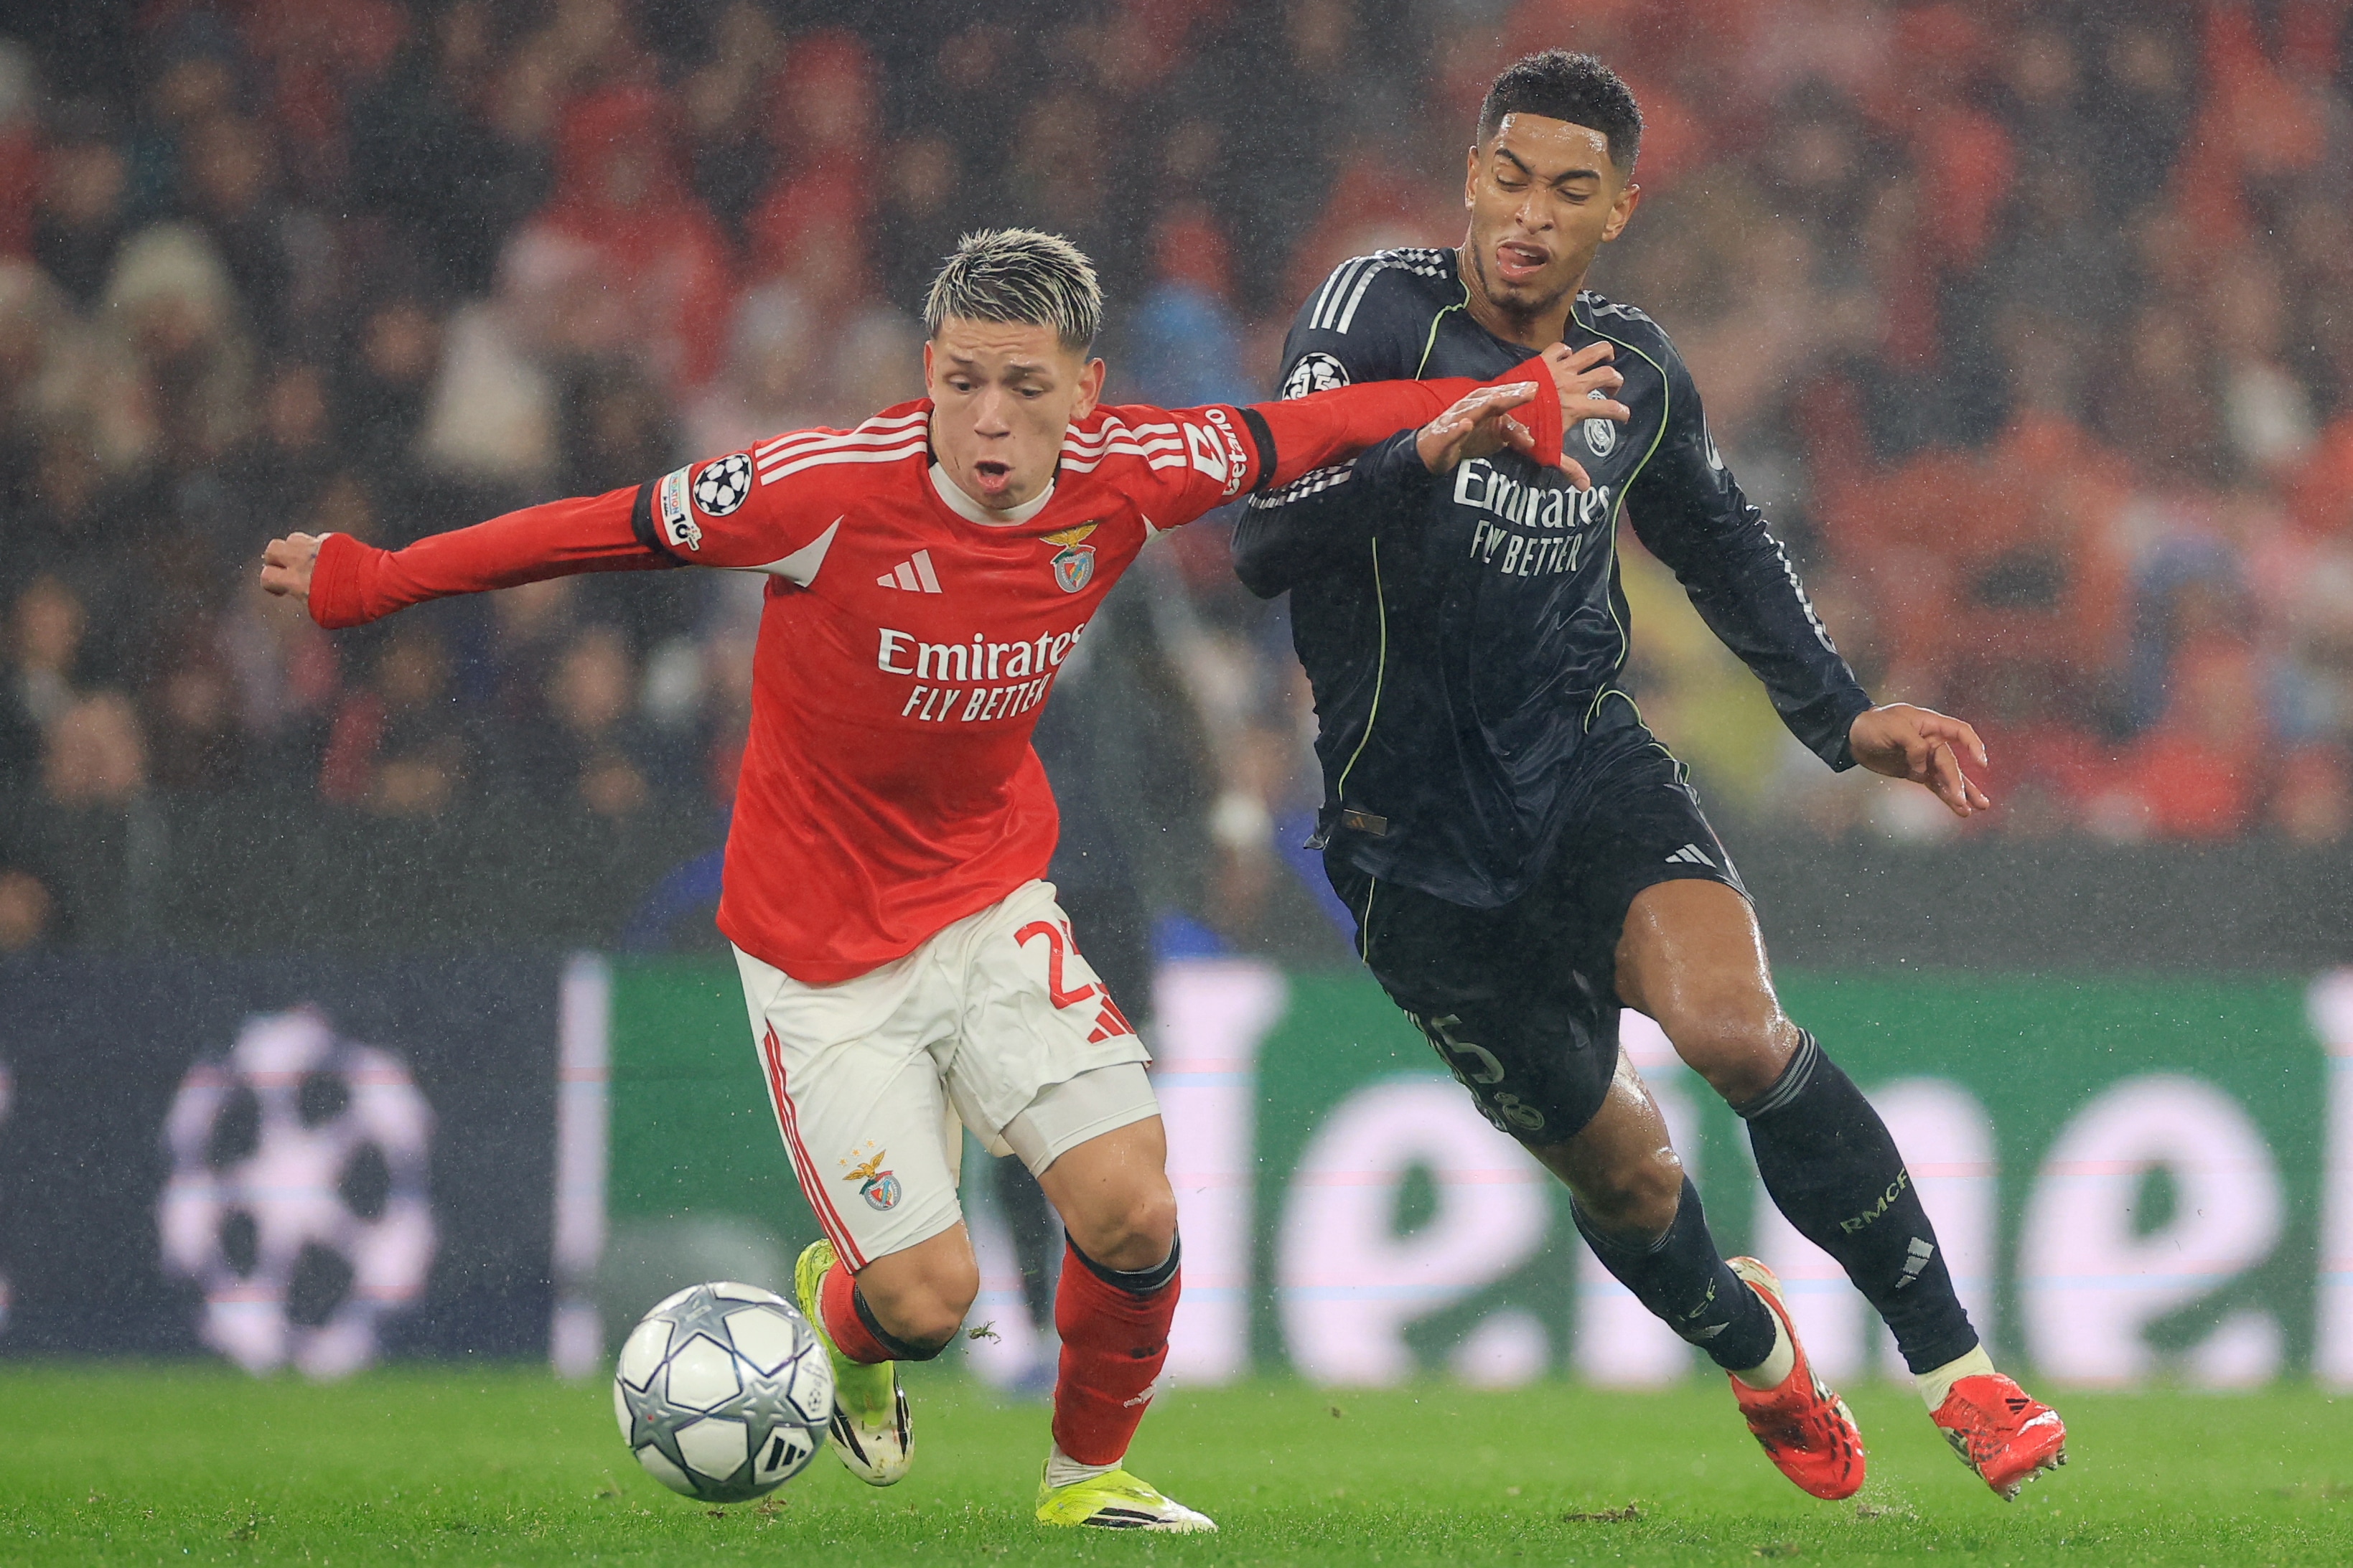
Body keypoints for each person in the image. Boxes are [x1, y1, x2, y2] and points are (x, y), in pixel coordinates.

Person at [262, 228, 1590, 1533]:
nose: (990, 418)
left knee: (1132, 1205)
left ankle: (1084, 1481)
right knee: (928, 1298)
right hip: (821, 947)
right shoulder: (818, 490)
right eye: (963, 380)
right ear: (926, 372)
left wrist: (1497, 399)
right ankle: (851, 1324)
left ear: (1087, 388)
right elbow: (591, 531)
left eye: (1025, 385)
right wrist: (378, 578)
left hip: (990, 900)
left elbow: (1307, 427)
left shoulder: (1135, 465)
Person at [1235, 52, 2067, 1503]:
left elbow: (1722, 540)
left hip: (1585, 773)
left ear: (1618, 208)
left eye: (1569, 191)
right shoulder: (1372, 317)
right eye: (1509, 178)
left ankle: (1960, 1370)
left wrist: (1844, 718)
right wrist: (1438, 443)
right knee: (1622, 1175)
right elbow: (1263, 543)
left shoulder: (1634, 370)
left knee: (1736, 1031)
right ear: (1471, 177)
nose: (1529, 217)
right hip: (1405, 842)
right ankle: (1757, 1355)